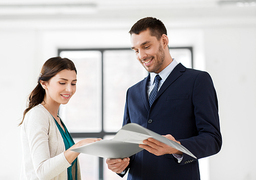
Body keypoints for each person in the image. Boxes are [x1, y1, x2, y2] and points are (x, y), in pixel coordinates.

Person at [106, 17, 222, 180]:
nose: (141, 55)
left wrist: (176, 147)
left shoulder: (197, 81)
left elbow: (212, 140)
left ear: (164, 40)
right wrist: (120, 163)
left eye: (146, 46)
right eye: (136, 50)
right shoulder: (132, 92)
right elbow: (127, 144)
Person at [19, 57, 100, 180]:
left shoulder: (56, 119)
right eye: (62, 83)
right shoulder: (38, 115)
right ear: (44, 83)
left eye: (73, 83)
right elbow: (42, 172)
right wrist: (79, 146)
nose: (69, 89)